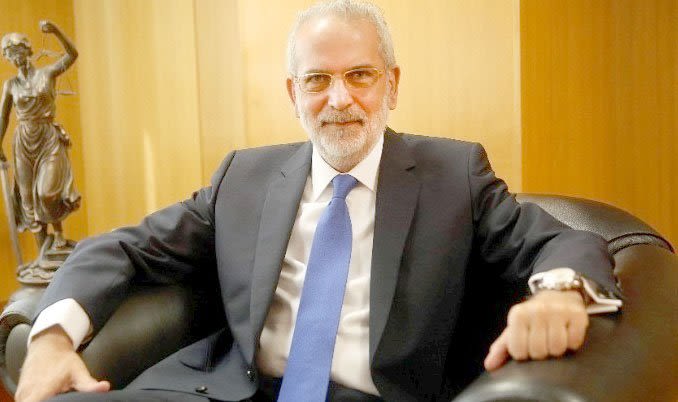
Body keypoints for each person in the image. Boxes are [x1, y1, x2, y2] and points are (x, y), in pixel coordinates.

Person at [14, 1, 621, 402]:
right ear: (293, 94)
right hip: (229, 389)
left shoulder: (453, 175)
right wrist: (51, 339)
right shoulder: (243, 176)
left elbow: (563, 240)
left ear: (392, 84)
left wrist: (558, 293)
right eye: (317, 80)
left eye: (360, 75)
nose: (339, 99)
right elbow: (126, 247)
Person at [0, 21, 80, 274]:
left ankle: (58, 235)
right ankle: (43, 254)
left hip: (48, 138)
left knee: (47, 192)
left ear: (27, 50)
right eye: (10, 54)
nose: (15, 58)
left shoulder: (47, 73)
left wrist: (56, 30)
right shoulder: (10, 85)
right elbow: (3, 117)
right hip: (23, 142)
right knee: (27, 199)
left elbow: (72, 55)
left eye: (18, 51)